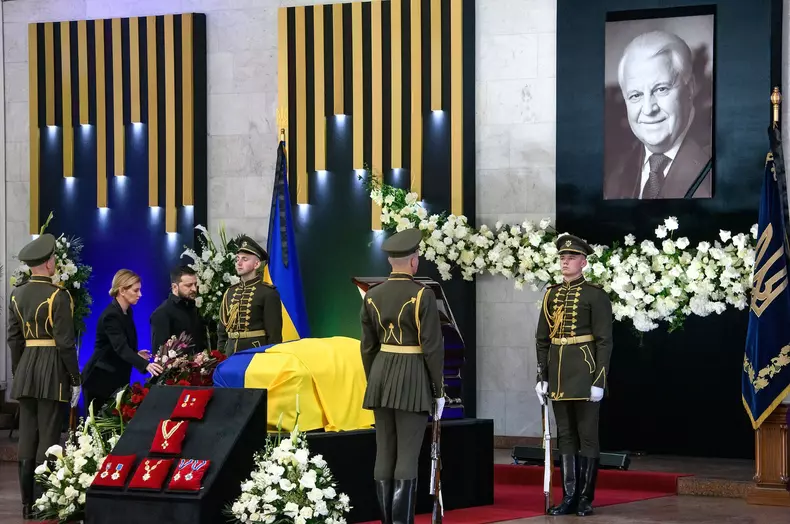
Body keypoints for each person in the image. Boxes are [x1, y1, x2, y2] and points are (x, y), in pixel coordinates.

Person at [360, 228, 446, 524]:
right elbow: (432, 347)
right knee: (407, 455)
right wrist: (438, 390)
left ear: (389, 261)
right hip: (412, 377)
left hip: (380, 375)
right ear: (413, 261)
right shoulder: (423, 294)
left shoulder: (371, 294)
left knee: (384, 452)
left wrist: (374, 379)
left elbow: (367, 347)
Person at [535, 234, 613, 516]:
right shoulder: (551, 294)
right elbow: (542, 339)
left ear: (583, 262)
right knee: (565, 436)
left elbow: (604, 341)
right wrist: (541, 377)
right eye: (562, 258)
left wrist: (599, 380)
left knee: (587, 436)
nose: (565, 262)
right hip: (558, 373)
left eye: (571, 258)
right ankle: (568, 497)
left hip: (585, 372)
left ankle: (584, 498)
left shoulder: (595, 295)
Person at [7, 234, 81, 519]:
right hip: (52, 369)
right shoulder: (58, 295)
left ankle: (26, 503)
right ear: (49, 263)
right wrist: (75, 378)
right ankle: (42, 501)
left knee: (27, 437)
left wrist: (19, 371)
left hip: (26, 368)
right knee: (49, 436)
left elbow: (14, 340)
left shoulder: (16, 294)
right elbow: (65, 343)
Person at [604, 30, 712, 200]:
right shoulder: (615, 177)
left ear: (690, 88)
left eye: (661, 89)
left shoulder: (718, 163)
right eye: (635, 95)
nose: (648, 109)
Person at [81, 270, 163, 412]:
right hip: (99, 381)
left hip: (114, 378)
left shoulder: (126, 312)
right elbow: (120, 348)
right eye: (135, 290)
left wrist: (135, 353)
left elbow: (120, 345)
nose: (140, 294)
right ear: (122, 291)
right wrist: (146, 365)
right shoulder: (111, 315)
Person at [217, 236, 283, 355]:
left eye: (245, 259)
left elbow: (274, 334)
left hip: (255, 351)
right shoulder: (230, 292)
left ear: (256, 264)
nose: (239, 263)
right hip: (230, 352)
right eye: (237, 259)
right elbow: (222, 331)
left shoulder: (268, 293)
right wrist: (221, 354)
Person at [150, 265, 205, 355]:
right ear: (175, 287)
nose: (194, 289)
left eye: (195, 284)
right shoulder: (162, 313)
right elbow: (159, 353)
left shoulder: (193, 308)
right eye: (188, 285)